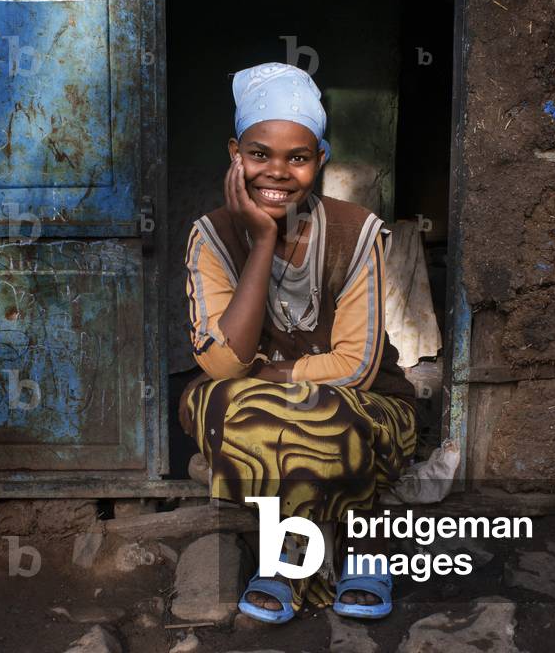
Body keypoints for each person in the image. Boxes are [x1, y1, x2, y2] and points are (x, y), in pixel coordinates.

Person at [178, 62, 419, 624]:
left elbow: (355, 367)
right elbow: (218, 362)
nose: (278, 172)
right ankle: (351, 548)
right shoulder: (211, 236)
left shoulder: (358, 231)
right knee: (240, 411)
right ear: (235, 153)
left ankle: (288, 562)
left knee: (325, 417)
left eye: (299, 157)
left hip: (365, 402)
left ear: (320, 161)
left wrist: (270, 378)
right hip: (244, 399)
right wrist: (262, 241)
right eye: (259, 154)